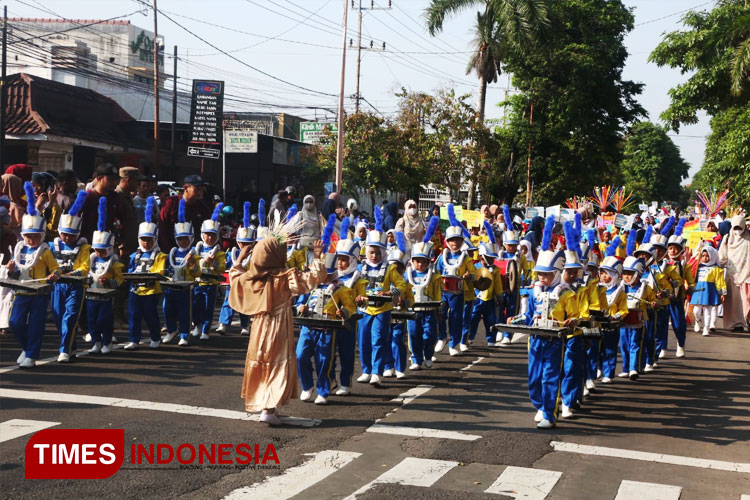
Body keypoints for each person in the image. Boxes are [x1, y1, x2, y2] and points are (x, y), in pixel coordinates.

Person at [228, 228, 327, 425]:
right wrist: (317, 257)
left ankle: (264, 404)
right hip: (278, 325)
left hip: (259, 326)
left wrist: (240, 258)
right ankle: (269, 408)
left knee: (261, 361)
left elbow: (234, 277)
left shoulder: (252, 277)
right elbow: (312, 279)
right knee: (276, 362)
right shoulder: (284, 277)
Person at [295, 215, 356, 404]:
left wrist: (343, 313)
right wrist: (301, 307)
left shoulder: (341, 288)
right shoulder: (311, 285)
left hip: (328, 329)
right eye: (322, 274)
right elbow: (300, 302)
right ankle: (307, 386)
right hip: (308, 327)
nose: (324, 278)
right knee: (300, 355)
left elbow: (350, 307)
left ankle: (323, 390)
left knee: (324, 361)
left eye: (328, 275)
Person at [519, 239, 577, 430]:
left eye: (547, 274)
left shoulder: (567, 294)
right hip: (535, 341)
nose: (542, 278)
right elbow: (528, 316)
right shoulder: (536, 292)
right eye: (540, 274)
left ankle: (550, 414)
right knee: (534, 379)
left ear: (557, 274)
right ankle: (541, 405)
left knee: (549, 378)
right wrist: (516, 319)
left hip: (553, 342)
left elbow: (575, 316)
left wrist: (572, 322)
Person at [7, 182, 60, 368]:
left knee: (36, 325)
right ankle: (26, 348)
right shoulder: (19, 249)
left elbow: (56, 269)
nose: (31, 239)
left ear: (42, 236)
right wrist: (11, 269)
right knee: (15, 322)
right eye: (28, 236)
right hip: (21, 291)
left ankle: (31, 354)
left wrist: (53, 275)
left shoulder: (45, 251)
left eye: (35, 236)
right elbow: (14, 274)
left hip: (39, 293)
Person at [354, 206, 407, 386]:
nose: (374, 255)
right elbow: (354, 288)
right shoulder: (361, 269)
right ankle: (366, 370)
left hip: (382, 309)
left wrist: (389, 293)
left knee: (378, 340)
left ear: (383, 252)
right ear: (366, 252)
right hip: (364, 309)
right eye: (371, 252)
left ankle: (376, 372)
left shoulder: (390, 268)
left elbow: (401, 285)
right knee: (363, 341)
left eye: (378, 252)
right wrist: (357, 297)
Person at [50, 191, 91, 363]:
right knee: (59, 317)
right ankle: (71, 346)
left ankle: (64, 349)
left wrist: (68, 274)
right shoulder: (53, 246)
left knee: (70, 317)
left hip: (76, 286)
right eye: (64, 234)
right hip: (58, 286)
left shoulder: (83, 248)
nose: (67, 238)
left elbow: (85, 267)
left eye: (71, 235)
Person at [125, 197, 167, 350]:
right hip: (135, 289)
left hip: (150, 290)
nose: (146, 243)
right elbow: (130, 269)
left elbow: (160, 271)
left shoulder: (160, 255)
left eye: (149, 240)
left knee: (150, 316)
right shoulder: (134, 255)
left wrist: (149, 276)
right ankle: (133, 339)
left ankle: (155, 337)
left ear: (155, 240)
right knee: (134, 315)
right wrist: (132, 275)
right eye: (143, 240)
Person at [435, 204, 476, 356]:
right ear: (447, 241)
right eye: (452, 241)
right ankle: (441, 338)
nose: (455, 243)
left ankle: (454, 343)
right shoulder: (442, 256)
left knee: (456, 318)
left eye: (458, 241)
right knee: (440, 315)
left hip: (458, 293)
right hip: (442, 292)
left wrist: (467, 276)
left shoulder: (465, 257)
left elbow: (473, 274)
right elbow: (435, 271)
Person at [161, 198, 202, 346]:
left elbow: (198, 272)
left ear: (191, 238)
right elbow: (167, 269)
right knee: (168, 310)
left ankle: (184, 334)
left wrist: (191, 263)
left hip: (186, 289)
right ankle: (171, 330)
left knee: (185, 313)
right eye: (180, 239)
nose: (183, 242)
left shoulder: (193, 253)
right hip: (171, 287)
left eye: (186, 239)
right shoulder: (172, 252)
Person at [332, 218, 367, 394]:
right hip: (331, 320)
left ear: (353, 260)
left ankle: (345, 383)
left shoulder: (358, 279)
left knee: (346, 353)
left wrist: (361, 299)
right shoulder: (332, 276)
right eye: (339, 259)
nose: (340, 263)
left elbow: (365, 297)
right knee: (328, 354)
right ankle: (330, 380)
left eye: (345, 259)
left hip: (349, 321)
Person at [86, 197, 124, 354]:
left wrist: (109, 282)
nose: (98, 253)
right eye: (96, 250)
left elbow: (120, 280)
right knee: (91, 321)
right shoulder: (91, 260)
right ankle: (96, 342)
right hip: (91, 296)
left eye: (102, 250)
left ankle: (107, 341)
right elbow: (86, 273)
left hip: (106, 297)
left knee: (104, 320)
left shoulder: (114, 263)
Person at [405, 216, 442, 370]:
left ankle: (428, 355)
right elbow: (402, 290)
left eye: (423, 261)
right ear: (412, 261)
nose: (419, 264)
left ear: (428, 261)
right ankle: (416, 359)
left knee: (431, 335)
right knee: (413, 335)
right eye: (417, 261)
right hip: (413, 312)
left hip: (429, 311)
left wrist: (439, 308)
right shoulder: (407, 275)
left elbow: (437, 294)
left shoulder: (434, 276)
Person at [217, 202, 255, 335]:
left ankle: (245, 325)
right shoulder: (232, 252)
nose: (245, 246)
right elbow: (225, 265)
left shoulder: (255, 255)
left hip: (247, 284)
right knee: (228, 302)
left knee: (245, 304)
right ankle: (223, 324)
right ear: (238, 242)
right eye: (242, 243)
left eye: (248, 244)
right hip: (233, 283)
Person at [191, 203, 227, 340]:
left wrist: (214, 263)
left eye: (213, 235)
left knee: (208, 308)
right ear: (202, 234)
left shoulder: (219, 252)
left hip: (211, 284)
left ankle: (205, 330)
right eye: (207, 235)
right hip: (198, 283)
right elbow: (191, 266)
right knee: (195, 307)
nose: (210, 238)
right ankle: (197, 326)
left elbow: (222, 268)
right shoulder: (197, 249)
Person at [468, 221, 504, 346]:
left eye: (492, 258)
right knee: (473, 319)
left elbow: (498, 285)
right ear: (482, 257)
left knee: (491, 321)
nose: (490, 260)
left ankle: (491, 339)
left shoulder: (495, 270)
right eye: (488, 258)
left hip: (490, 300)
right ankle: (470, 337)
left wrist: (499, 296)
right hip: (477, 299)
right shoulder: (475, 268)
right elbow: (471, 283)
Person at [383, 231, 413, 379]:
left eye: (398, 268)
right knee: (386, 338)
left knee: (398, 338)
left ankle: (400, 367)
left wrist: (404, 302)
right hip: (385, 314)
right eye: (392, 268)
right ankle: (388, 365)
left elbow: (411, 301)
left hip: (400, 316)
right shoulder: (383, 283)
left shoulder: (406, 283)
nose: (395, 271)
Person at [598, 240, 628, 384]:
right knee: (597, 349)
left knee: (610, 350)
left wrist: (617, 316)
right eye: (602, 273)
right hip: (597, 325)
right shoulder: (596, 289)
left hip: (612, 326)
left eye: (608, 274)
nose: (604, 277)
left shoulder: (620, 291)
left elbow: (624, 309)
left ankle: (608, 373)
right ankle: (598, 368)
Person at [158, 175, 212, 253]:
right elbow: (163, 229)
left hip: (193, 253)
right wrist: (168, 253)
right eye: (197, 189)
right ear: (186, 188)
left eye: (201, 189)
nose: (200, 192)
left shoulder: (203, 209)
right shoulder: (171, 203)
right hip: (171, 251)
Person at [665, 219, 693, 358]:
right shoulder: (663, 263)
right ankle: (661, 347)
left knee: (678, 323)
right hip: (662, 299)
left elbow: (690, 280)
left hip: (677, 298)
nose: (673, 251)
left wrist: (691, 288)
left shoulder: (684, 265)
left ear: (681, 249)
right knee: (661, 325)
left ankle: (680, 344)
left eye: (676, 248)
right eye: (670, 248)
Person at [718, 215, 750, 331]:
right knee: (732, 302)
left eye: (739, 227)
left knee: (746, 299)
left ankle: (747, 320)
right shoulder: (727, 238)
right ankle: (735, 324)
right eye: (735, 227)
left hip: (747, 273)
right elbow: (722, 255)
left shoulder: (749, 237)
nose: (737, 230)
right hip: (732, 274)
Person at [79, 163, 121, 245]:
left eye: (115, 180)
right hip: (89, 244)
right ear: (99, 178)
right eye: (110, 180)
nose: (114, 183)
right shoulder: (87, 197)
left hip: (108, 243)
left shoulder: (114, 197)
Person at [690, 245, 727, 336]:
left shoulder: (716, 269)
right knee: (696, 310)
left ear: (712, 256)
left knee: (707, 310)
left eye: (707, 256)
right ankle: (698, 321)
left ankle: (706, 328)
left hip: (709, 291)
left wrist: (722, 293)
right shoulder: (698, 267)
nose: (705, 258)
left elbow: (720, 281)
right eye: (703, 256)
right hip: (698, 290)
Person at [115, 167, 140, 260]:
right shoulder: (118, 196)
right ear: (129, 180)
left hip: (131, 245)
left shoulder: (127, 196)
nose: (138, 184)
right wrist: (121, 246)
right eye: (136, 181)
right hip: (124, 248)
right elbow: (117, 223)